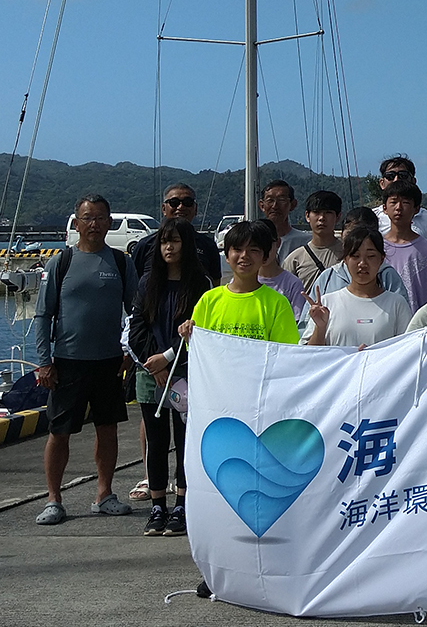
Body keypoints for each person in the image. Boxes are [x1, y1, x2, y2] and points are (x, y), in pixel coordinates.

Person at [178, 219, 299, 599]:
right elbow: (201, 355)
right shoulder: (210, 301)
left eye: (253, 250)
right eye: (237, 250)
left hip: (260, 417)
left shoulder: (275, 303)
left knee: (259, 497)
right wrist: (188, 335)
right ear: (226, 255)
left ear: (265, 257)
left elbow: (285, 358)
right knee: (216, 495)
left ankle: (261, 570)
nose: (244, 256)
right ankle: (218, 570)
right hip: (217, 417)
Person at [33, 194, 139, 526]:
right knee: (59, 432)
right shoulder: (61, 262)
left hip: (110, 361)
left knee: (107, 429)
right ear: (76, 223)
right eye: (87, 218)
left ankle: (104, 494)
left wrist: (130, 351)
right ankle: (53, 499)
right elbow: (43, 315)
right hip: (68, 361)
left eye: (100, 218)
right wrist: (44, 361)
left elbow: (135, 313)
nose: (94, 224)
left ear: (109, 222)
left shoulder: (121, 262)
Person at [128, 218, 212, 536]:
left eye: (175, 241)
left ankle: (181, 505)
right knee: (156, 440)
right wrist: (156, 364)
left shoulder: (200, 284)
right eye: (164, 241)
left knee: (185, 440)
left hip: (187, 373)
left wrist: (168, 357)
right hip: (151, 373)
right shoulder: (148, 282)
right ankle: (157, 505)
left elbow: (200, 330)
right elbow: (137, 328)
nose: (169, 247)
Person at [303, 226, 412, 347]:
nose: (362, 263)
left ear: (381, 259)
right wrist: (320, 327)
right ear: (345, 260)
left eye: (370, 256)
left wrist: (370, 355)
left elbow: (408, 350)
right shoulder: (327, 303)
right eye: (355, 256)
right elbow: (310, 354)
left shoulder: (397, 304)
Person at [308, 207, 409, 302]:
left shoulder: (387, 276)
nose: (356, 242)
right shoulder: (328, 277)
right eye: (350, 235)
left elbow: (400, 310)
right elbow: (309, 313)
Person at [131, 183, 222, 282]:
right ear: (164, 209)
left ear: (195, 209)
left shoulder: (208, 245)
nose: (181, 207)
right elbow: (133, 283)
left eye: (187, 202)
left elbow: (215, 283)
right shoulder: (145, 245)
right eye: (174, 202)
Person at [380, 180, 427, 315]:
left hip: (418, 321)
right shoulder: (376, 248)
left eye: (405, 202)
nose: (399, 208)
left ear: (416, 209)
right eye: (393, 202)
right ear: (384, 208)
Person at [372, 155, 427, 243]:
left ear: (413, 181)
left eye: (403, 175)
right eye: (390, 176)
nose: (396, 180)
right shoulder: (372, 218)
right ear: (382, 183)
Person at [282, 190, 342, 292]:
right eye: (316, 212)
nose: (321, 218)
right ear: (307, 216)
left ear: (338, 217)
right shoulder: (295, 259)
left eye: (328, 212)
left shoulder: (349, 253)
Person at [257, 219, 306, 323]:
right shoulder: (243, 282)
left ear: (278, 243)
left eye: (267, 244)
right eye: (256, 247)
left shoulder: (293, 284)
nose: (264, 251)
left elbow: (298, 324)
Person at [259, 179, 310, 260]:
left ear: (293, 205)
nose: (275, 206)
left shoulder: (306, 242)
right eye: (270, 200)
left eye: (281, 200)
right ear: (262, 205)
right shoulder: (254, 241)